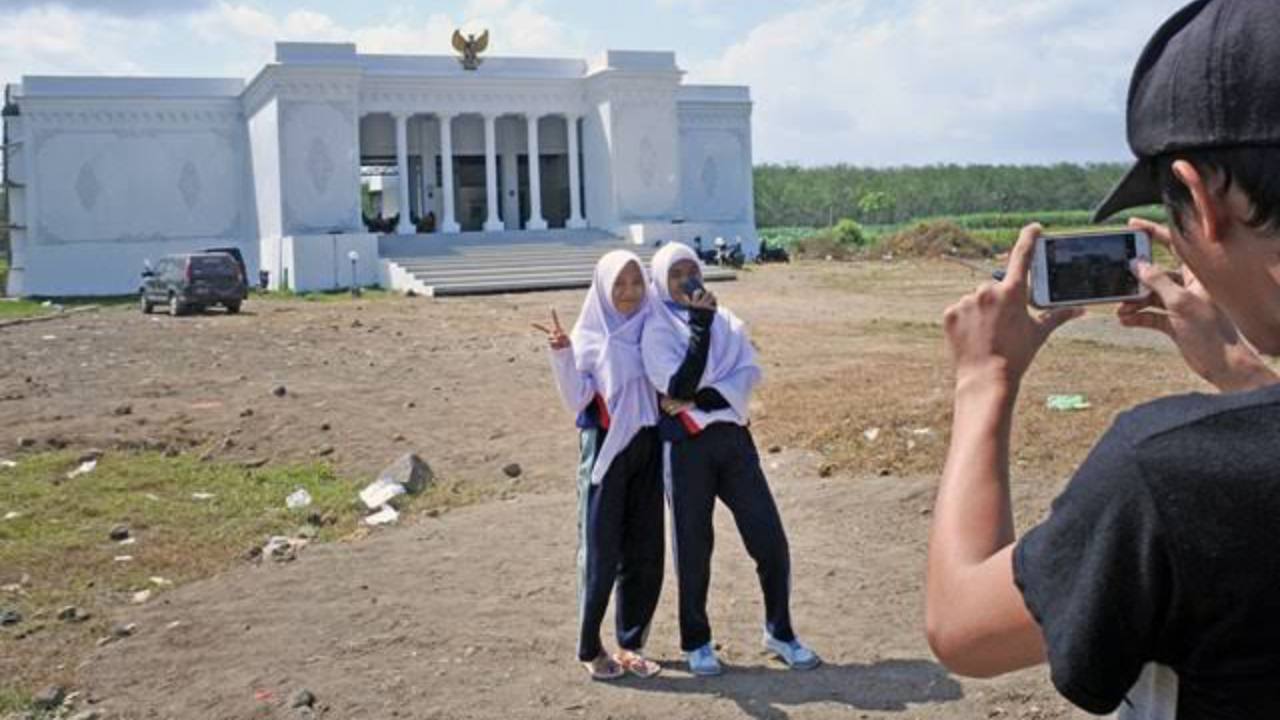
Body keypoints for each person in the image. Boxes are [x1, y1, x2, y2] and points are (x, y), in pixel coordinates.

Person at [925, 1, 1280, 717]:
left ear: (1204, 197)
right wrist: (1241, 375)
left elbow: (963, 627)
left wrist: (985, 379)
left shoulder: (1171, 473)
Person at [641, 242, 820, 676]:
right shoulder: (656, 329)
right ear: (661, 280)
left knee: (769, 538)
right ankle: (696, 640)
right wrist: (699, 330)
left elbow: (745, 374)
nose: (686, 280)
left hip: (734, 442)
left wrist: (698, 397)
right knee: (694, 546)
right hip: (686, 447)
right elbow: (675, 384)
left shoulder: (727, 321)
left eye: (691, 270)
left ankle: (780, 630)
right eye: (675, 274)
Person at [538, 250, 665, 681]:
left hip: (648, 446)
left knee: (645, 549)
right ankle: (590, 647)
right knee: (600, 550)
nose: (629, 292)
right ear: (603, 288)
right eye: (619, 284)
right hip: (607, 449)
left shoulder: (654, 327)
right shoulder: (589, 336)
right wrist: (562, 355)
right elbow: (577, 399)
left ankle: (631, 643)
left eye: (636, 282)